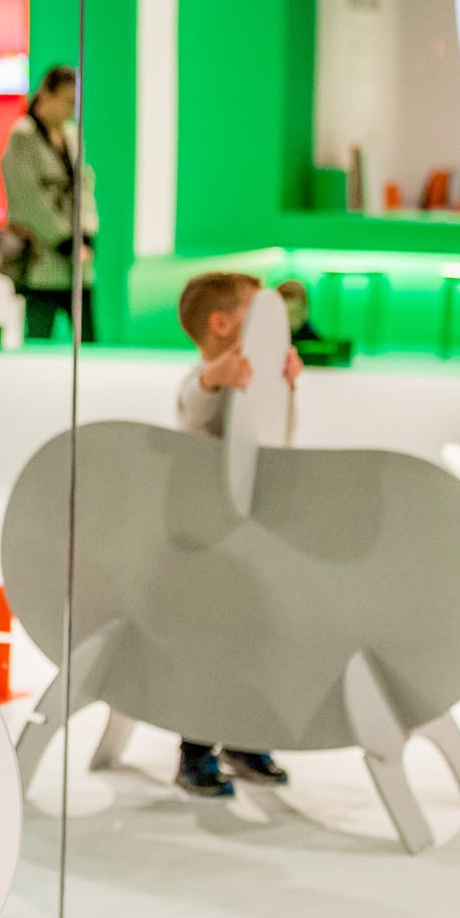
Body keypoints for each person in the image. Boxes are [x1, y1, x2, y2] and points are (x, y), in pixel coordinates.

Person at [172, 271, 302, 796]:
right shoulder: (207, 377)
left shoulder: (254, 377)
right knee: (208, 643)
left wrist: (283, 383)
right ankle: (195, 748)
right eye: (257, 311)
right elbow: (192, 404)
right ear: (221, 324)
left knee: (257, 638)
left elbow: (272, 437)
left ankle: (246, 738)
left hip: (253, 532)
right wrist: (214, 378)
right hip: (209, 540)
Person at [0, 65, 98, 343]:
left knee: (88, 339)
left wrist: (86, 235)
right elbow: (28, 198)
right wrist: (64, 239)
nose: (71, 109)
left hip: (78, 264)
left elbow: (86, 186)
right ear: (47, 95)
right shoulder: (23, 137)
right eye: (67, 101)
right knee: (39, 336)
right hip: (42, 258)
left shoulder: (71, 136)